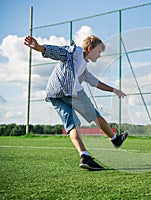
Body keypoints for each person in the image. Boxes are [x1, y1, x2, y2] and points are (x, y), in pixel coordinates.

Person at [24, 35, 128, 170]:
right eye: (99, 52)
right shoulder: (76, 52)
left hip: (54, 94)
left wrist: (113, 89)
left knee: (72, 124)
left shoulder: (83, 68)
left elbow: (95, 82)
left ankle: (84, 156)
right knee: (95, 115)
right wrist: (40, 48)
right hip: (70, 92)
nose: (100, 55)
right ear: (90, 49)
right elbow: (60, 52)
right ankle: (115, 139)